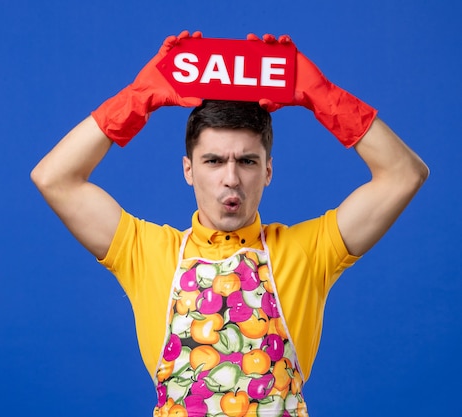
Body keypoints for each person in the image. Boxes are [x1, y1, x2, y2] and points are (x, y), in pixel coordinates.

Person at [31, 31, 428, 417]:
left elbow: (403, 174)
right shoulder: (146, 251)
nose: (231, 178)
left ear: (268, 170)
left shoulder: (309, 251)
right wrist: (138, 100)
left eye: (248, 161)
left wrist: (320, 96)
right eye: (214, 161)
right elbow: (54, 177)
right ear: (188, 169)